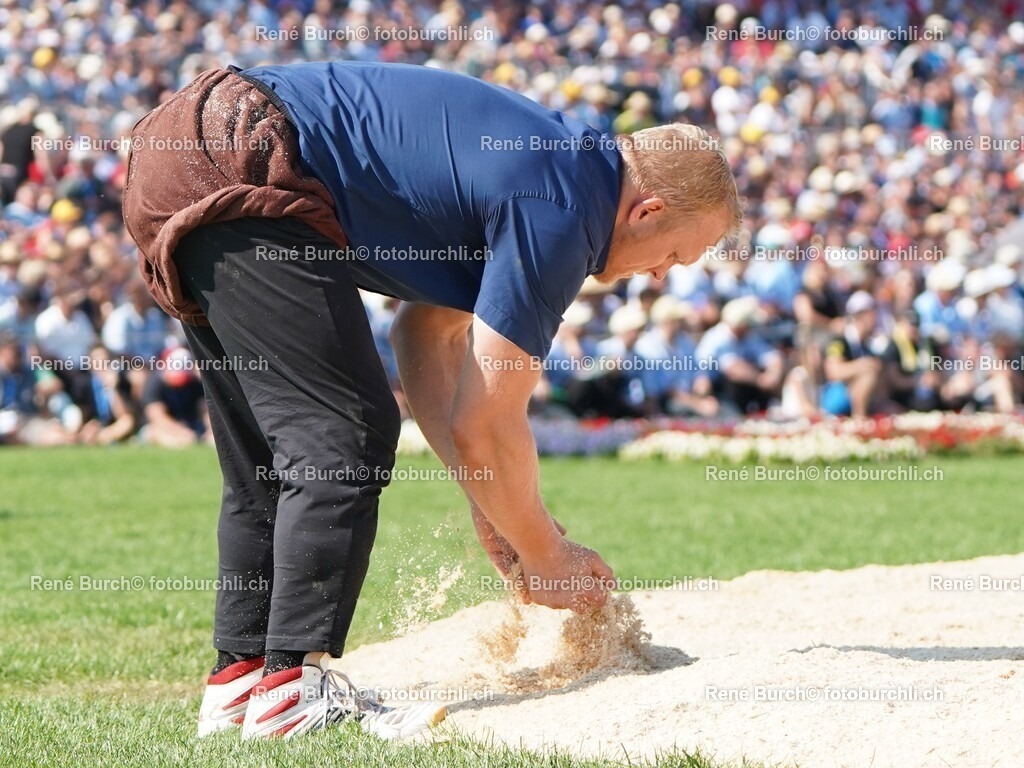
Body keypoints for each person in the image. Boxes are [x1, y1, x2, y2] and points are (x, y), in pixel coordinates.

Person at [122, 62, 740, 741]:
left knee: (270, 456)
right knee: (344, 434)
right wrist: (545, 554)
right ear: (648, 211)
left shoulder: (562, 173)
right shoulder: (566, 209)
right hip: (246, 150)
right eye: (677, 256)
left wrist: (493, 502)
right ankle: (293, 689)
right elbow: (487, 422)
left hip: (186, 151)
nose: (661, 276)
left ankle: (241, 680)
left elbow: (427, 335)